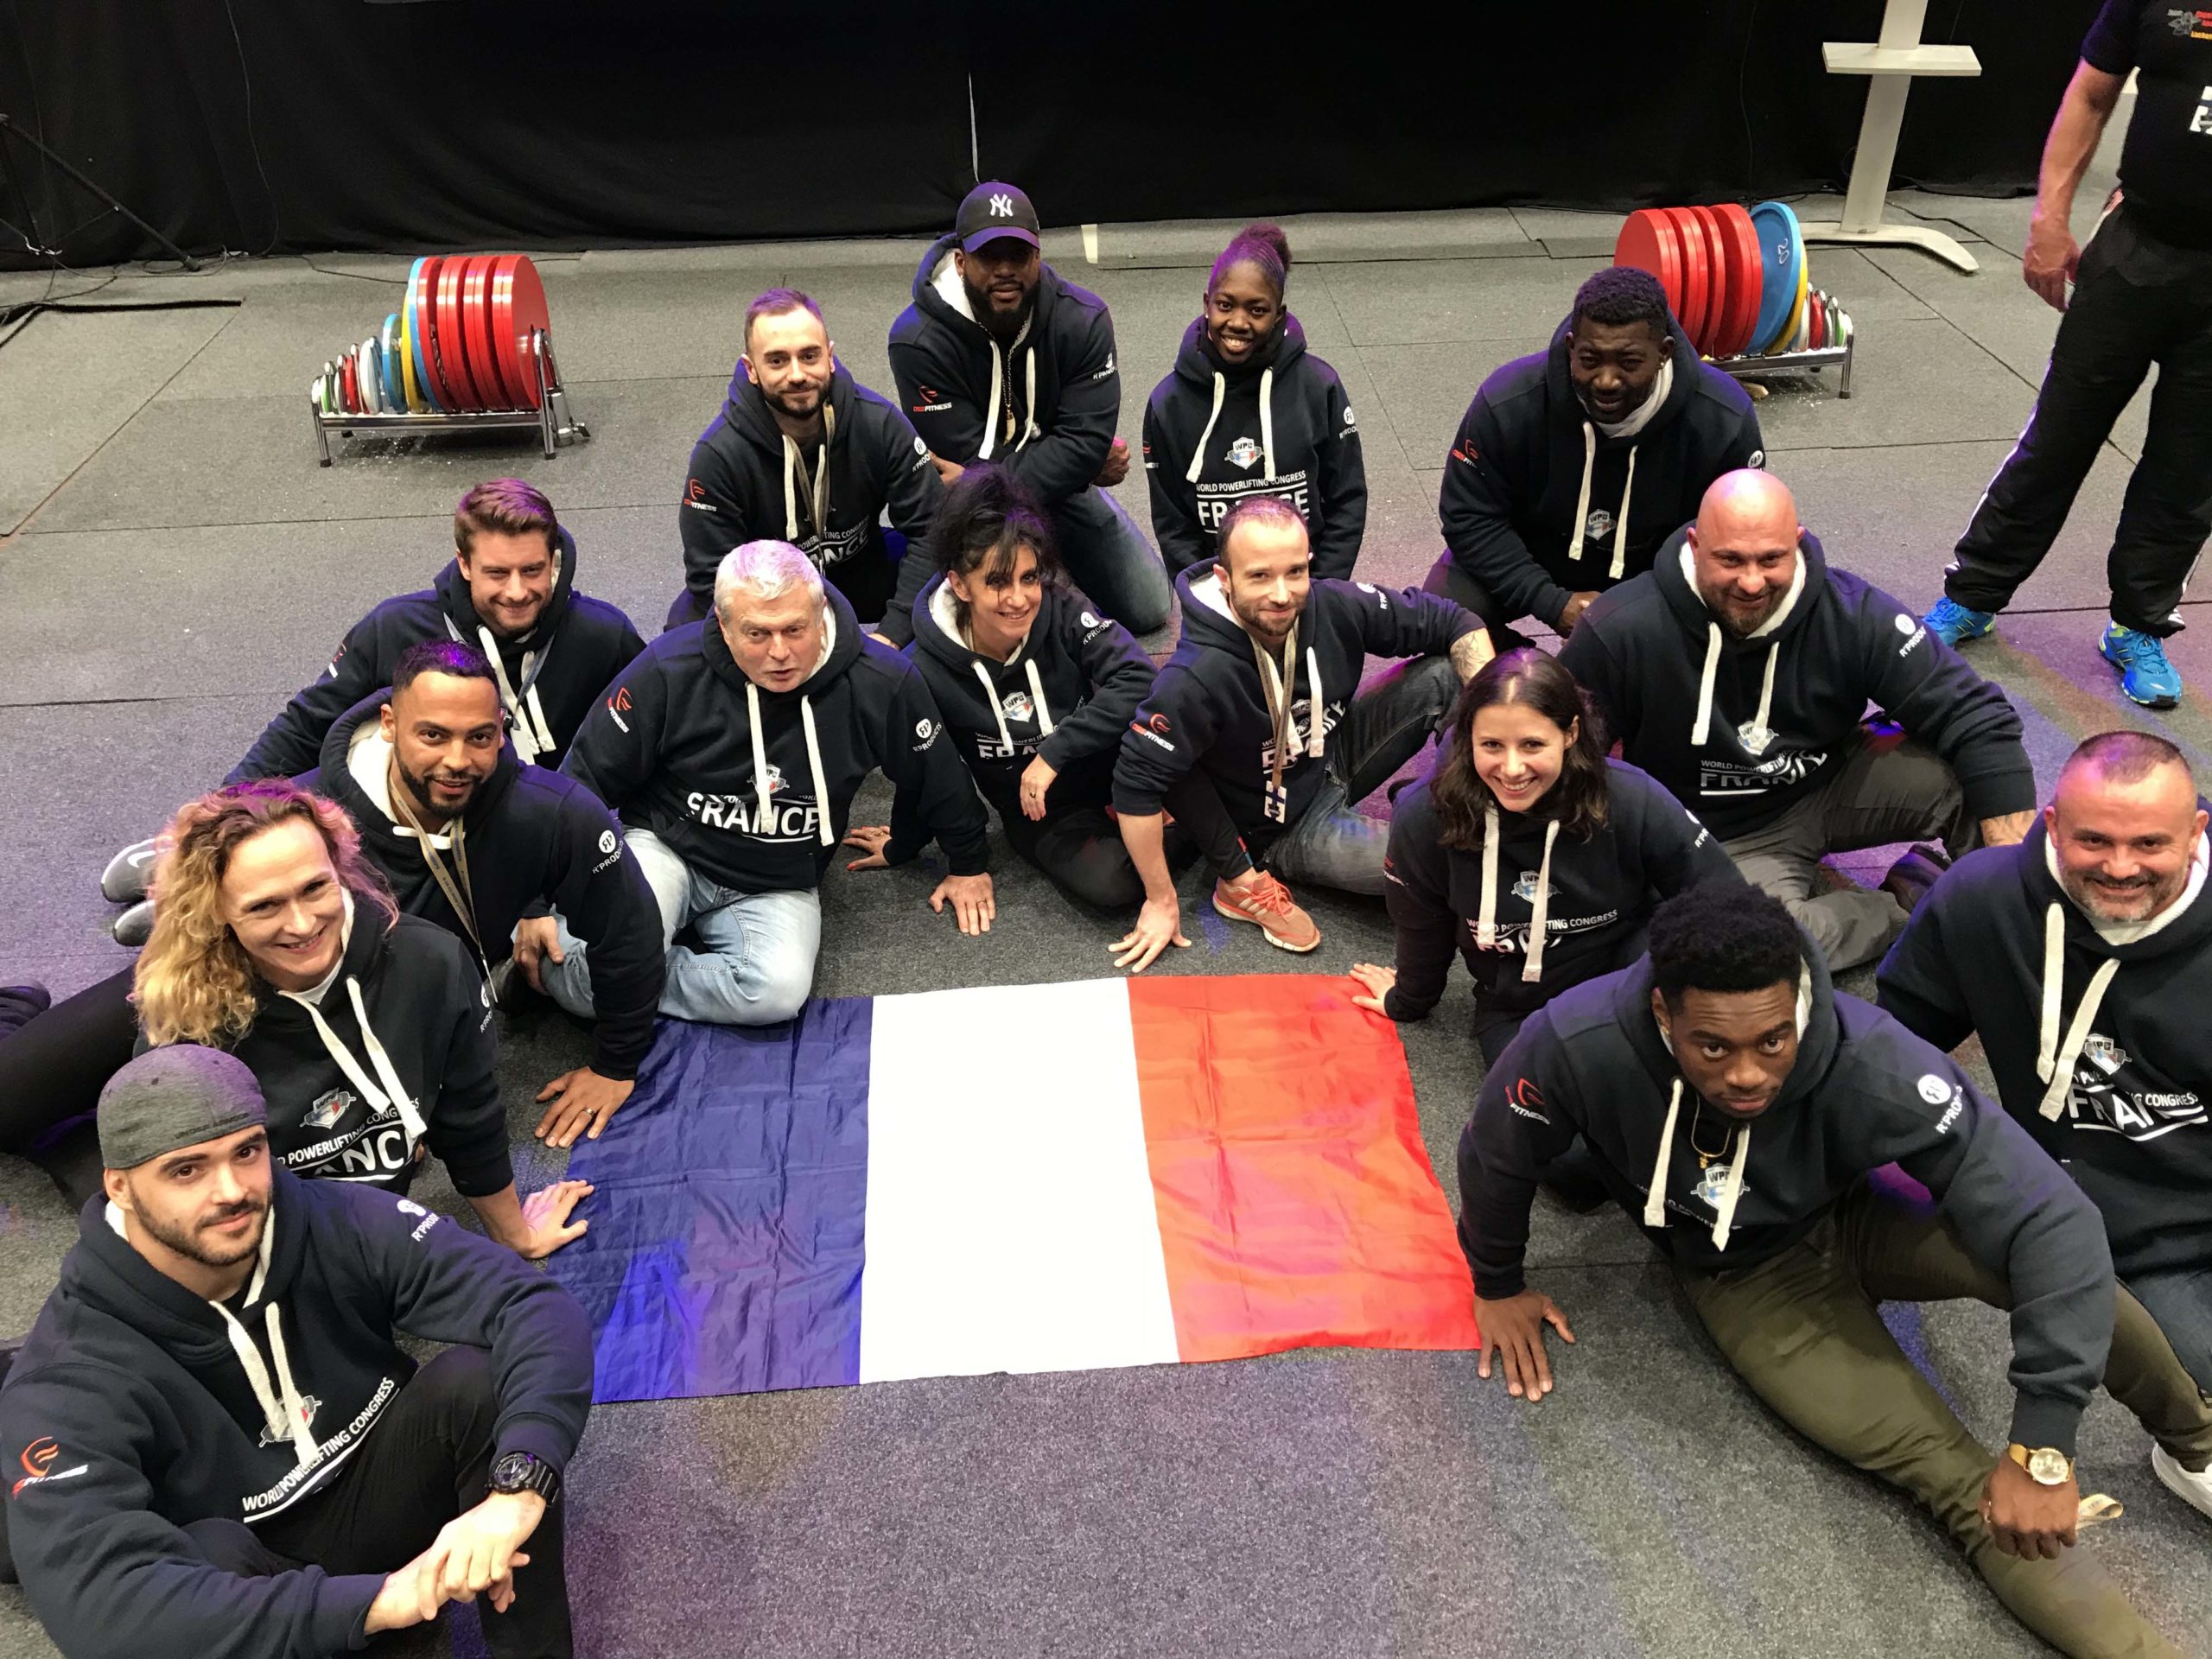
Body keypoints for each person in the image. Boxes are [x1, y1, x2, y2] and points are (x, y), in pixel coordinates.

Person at [1458, 883, 2209, 1659]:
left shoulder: (1871, 1056)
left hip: (1858, 1213)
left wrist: (2042, 1447)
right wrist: (1497, 1281)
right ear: (1662, 1014)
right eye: (1713, 1047)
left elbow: (2052, 1217)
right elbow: (1493, 1154)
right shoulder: (1576, 1040)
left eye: (1772, 1042)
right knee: (1955, 1480)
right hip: (1746, 1281)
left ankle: (2199, 1442)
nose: (1747, 1075)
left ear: (1799, 1007)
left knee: (2057, 1272)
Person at [0, 1046, 593, 1657]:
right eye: (187, 1170)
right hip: (253, 1588)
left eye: (246, 1152)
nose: (231, 1191)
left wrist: (519, 1488)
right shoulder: (69, 1371)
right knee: (209, 1552)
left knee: (480, 1386)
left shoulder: (332, 1217)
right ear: (120, 1187)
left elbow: (531, 1304)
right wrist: (377, 1603)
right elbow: (101, 1603)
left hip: (376, 1498)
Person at [0, 783, 589, 1257]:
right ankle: (16, 1015)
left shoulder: (431, 963)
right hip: (208, 989)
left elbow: (470, 1113)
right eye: (264, 905)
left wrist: (514, 1234)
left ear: (340, 872)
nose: (303, 924)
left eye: (314, 888)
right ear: (219, 911)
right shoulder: (185, 1016)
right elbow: (175, 1178)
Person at [1878, 730, 2212, 1518]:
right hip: (2128, 1243)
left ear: (2196, 832)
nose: (2120, 867)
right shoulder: (1982, 900)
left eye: (2150, 844)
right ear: (2052, 825)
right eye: (2094, 840)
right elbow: (1892, 1046)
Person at [99, 480, 647, 933]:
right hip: (407, 796)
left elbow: (638, 741)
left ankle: (200, 917)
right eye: (497, 573)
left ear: (553, 562)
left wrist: (540, 896)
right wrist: (218, 815)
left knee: (341, 905)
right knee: (290, 813)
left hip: (509, 819)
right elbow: (307, 724)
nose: (518, 591)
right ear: (464, 564)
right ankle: (196, 858)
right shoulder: (396, 625)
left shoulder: (602, 635)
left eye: (532, 570)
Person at [1559, 469, 2037, 971]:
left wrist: (2011, 869)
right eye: (1730, 560)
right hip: (1717, 833)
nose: (1751, 582)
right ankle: (1909, 904)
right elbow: (1557, 747)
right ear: (1696, 546)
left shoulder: (1852, 613)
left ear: (1797, 543)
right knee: (1744, 956)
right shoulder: (1622, 628)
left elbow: (1977, 714)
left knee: (1981, 776)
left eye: (1771, 559)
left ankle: (2014, 918)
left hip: (1831, 782)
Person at [552, 540, 992, 1027]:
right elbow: (583, 776)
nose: (779, 653)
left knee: (775, 995)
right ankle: (612, 971)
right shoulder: (668, 667)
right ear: (724, 626)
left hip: (779, 879)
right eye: (757, 633)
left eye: (794, 630)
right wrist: (536, 901)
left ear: (819, 614)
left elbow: (937, 773)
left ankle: (623, 975)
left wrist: (968, 863)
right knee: (586, 977)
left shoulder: (881, 679)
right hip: (668, 846)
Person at [1923, 2, 2212, 709]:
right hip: (2137, 249)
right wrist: (2049, 218)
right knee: (2058, 437)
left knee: (2189, 469)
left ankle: (2137, 627)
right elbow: (2090, 92)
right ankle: (1974, 594)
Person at [1111, 496, 1494, 969]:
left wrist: (1498, 721)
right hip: (1282, 825)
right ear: (1225, 579)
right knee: (1442, 861)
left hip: (1329, 751)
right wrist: (1161, 899)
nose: (1282, 594)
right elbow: (1134, 782)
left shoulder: (1329, 602)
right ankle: (1245, 888)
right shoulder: (1195, 677)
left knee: (1448, 674)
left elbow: (1453, 620)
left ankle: (1455, 797)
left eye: (1295, 571)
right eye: (1260, 576)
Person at [314, 641, 666, 1150]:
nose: (457, 761)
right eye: (433, 735)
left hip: (459, 998)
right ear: (389, 724)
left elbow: (629, 931)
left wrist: (616, 1064)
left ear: (501, 730)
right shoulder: (313, 829)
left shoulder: (552, 812)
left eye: (479, 737)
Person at [1348, 648, 1739, 1063]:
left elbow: (1723, 898)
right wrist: (1408, 1000)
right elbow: (1422, 926)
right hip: (1519, 1006)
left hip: (1629, 974)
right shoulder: (1424, 819)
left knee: (1698, 1069)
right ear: (1468, 738)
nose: (1512, 768)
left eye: (1532, 744)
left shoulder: (1630, 798)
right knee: (1546, 1092)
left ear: (1570, 734)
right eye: (1492, 745)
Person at [902, 465, 1230, 912]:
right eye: (996, 582)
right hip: (1042, 813)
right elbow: (930, 768)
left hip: (1118, 765)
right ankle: (1192, 830)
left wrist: (1055, 751)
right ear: (959, 584)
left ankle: (1190, 824)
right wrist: (914, 846)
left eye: (1029, 577)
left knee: (1191, 730)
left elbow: (1138, 677)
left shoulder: (1061, 606)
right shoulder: (921, 667)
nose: (1019, 599)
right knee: (1114, 887)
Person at [888, 181, 1173, 633]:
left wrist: (1077, 463)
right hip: (972, 506)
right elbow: (961, 460)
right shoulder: (917, 341)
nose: (1005, 270)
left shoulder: (1083, 320)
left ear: (1038, 257)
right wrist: (1076, 465)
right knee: (969, 628)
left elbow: (1083, 445)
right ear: (961, 262)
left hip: (1048, 491)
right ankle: (1038, 564)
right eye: (988, 257)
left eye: (1018, 256)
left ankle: (1047, 557)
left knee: (1150, 606)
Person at [1427, 266, 1763, 645]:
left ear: (1664, 353)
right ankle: (1527, 673)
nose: (1606, 380)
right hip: (1532, 552)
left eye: (1629, 362)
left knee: (1739, 616)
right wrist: (1550, 601)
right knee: (1443, 625)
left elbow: (1732, 539)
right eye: (1590, 360)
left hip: (1654, 574)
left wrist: (1635, 612)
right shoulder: (1507, 402)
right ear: (1571, 347)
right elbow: (1469, 516)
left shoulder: (1724, 419)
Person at [672, 287, 944, 644]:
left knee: (959, 586)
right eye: (777, 361)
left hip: (859, 569)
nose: (797, 374)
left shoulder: (879, 424)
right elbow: (710, 574)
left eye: (809, 356)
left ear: (829, 358)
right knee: (685, 631)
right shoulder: (719, 455)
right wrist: (780, 642)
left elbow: (931, 530)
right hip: (766, 590)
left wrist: (893, 635)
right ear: (751, 370)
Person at [1141, 223, 1366, 580]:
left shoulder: (1319, 387)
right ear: (1206, 303)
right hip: (1218, 592)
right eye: (1225, 305)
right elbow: (1173, 524)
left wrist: (1322, 589)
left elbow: (1347, 500)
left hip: (1309, 586)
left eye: (1257, 310)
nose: (1238, 322)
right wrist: (1209, 596)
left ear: (1278, 314)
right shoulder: (1168, 403)